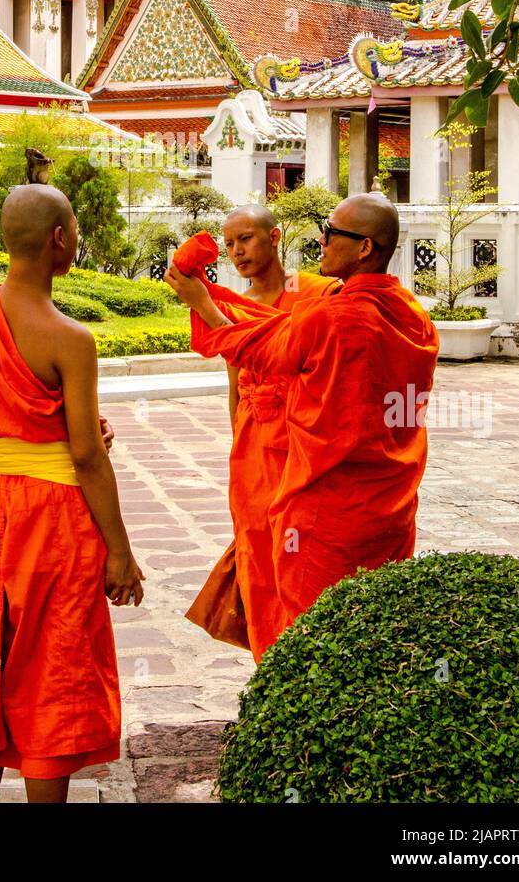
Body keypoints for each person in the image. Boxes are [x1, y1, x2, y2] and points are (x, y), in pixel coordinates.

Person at [0, 185, 144, 805]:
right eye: (74, 226)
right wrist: (120, 551)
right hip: (54, 518)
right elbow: (84, 455)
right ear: (60, 239)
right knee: (53, 668)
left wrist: (51, 428)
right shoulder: (71, 339)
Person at [167, 192, 438, 632]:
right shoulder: (413, 315)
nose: (321, 241)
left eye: (330, 233)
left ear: (365, 247)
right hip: (385, 496)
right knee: (370, 620)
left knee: (308, 626)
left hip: (324, 494)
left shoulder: (331, 312)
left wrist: (202, 303)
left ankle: (290, 691)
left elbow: (254, 346)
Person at [186, 205, 340, 661]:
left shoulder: (317, 293)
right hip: (254, 446)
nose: (237, 252)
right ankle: (269, 666)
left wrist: (205, 307)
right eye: (229, 244)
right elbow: (235, 379)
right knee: (257, 557)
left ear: (275, 238)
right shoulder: (233, 303)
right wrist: (238, 439)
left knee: (301, 557)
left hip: (301, 436)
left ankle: (305, 665)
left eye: (247, 239)